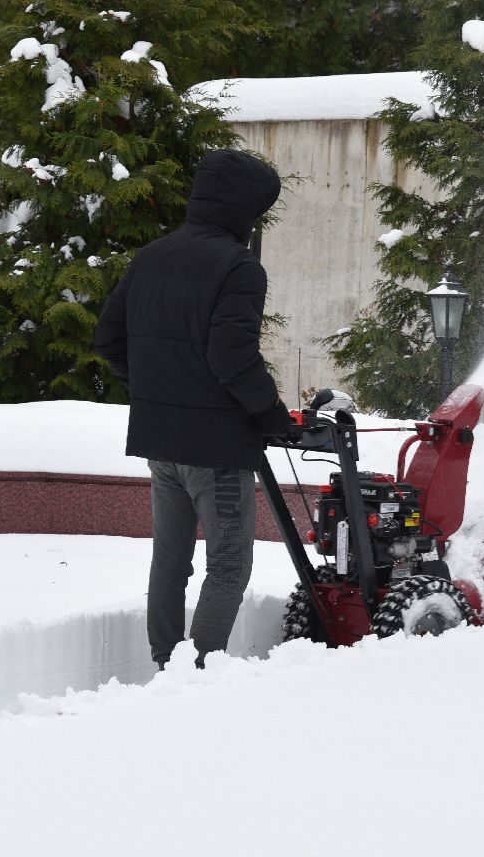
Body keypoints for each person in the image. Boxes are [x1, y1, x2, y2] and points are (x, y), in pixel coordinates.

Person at [94, 148, 292, 671]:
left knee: (170, 561)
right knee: (228, 563)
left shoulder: (151, 256)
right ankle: (200, 672)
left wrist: (157, 391)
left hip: (160, 442)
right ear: (245, 210)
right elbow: (232, 357)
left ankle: (167, 664)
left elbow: (108, 339)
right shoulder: (239, 267)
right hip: (217, 449)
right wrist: (272, 414)